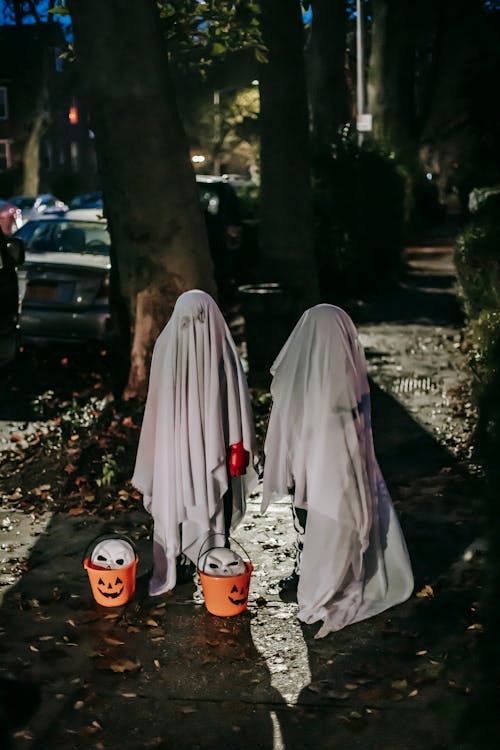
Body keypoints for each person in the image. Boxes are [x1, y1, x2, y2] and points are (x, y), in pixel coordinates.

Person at [262, 304, 413, 637]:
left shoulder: (295, 371)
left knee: (316, 522)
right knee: (336, 524)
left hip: (307, 467)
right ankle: (334, 580)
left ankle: (317, 581)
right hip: (337, 467)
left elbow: (284, 420)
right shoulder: (345, 371)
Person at [132, 290, 258, 596]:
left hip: (201, 453)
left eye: (200, 319)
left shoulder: (208, 349)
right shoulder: (211, 347)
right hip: (180, 451)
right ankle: (190, 560)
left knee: (203, 500)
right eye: (189, 321)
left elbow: (235, 407)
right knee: (193, 499)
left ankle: (211, 563)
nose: (195, 327)